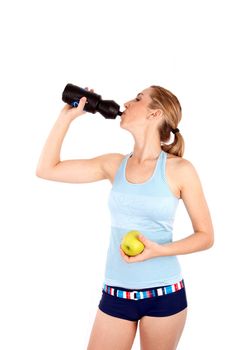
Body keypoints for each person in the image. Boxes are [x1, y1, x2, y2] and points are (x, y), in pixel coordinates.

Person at [36, 85, 214, 350]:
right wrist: (66, 118)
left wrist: (158, 250)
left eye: (139, 98)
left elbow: (206, 236)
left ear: (155, 114)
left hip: (164, 293)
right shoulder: (114, 164)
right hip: (116, 292)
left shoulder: (180, 170)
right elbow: (46, 169)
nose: (128, 102)